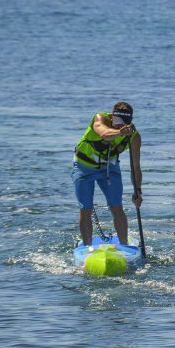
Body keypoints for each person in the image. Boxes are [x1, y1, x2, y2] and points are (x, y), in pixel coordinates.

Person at [72, 102, 142, 246]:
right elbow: (104, 133)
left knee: (117, 207)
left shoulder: (134, 136)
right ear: (112, 116)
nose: (121, 126)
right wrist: (120, 132)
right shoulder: (100, 119)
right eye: (118, 123)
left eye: (124, 124)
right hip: (84, 168)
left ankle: (124, 247)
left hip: (110, 169)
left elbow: (135, 167)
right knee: (86, 209)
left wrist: (138, 191)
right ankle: (87, 248)